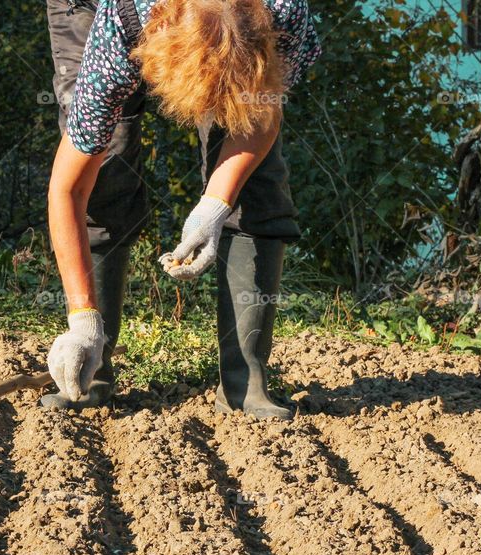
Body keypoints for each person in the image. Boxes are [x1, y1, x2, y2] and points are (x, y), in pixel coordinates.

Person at [42, 0, 321, 419]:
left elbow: (263, 116)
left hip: (242, 34)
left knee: (257, 182)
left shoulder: (284, 12)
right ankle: (89, 370)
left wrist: (214, 204)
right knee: (106, 176)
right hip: (91, 10)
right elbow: (69, 189)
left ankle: (246, 385)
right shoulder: (118, 30)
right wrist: (83, 320)